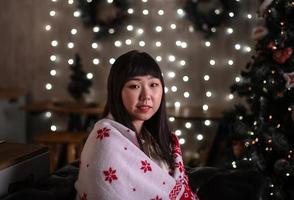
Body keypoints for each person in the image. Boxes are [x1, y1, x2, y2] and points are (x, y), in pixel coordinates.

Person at [75, 50, 199, 200]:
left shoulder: (154, 139)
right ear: (117, 91)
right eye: (134, 86)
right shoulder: (106, 142)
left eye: (153, 84)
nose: (146, 96)